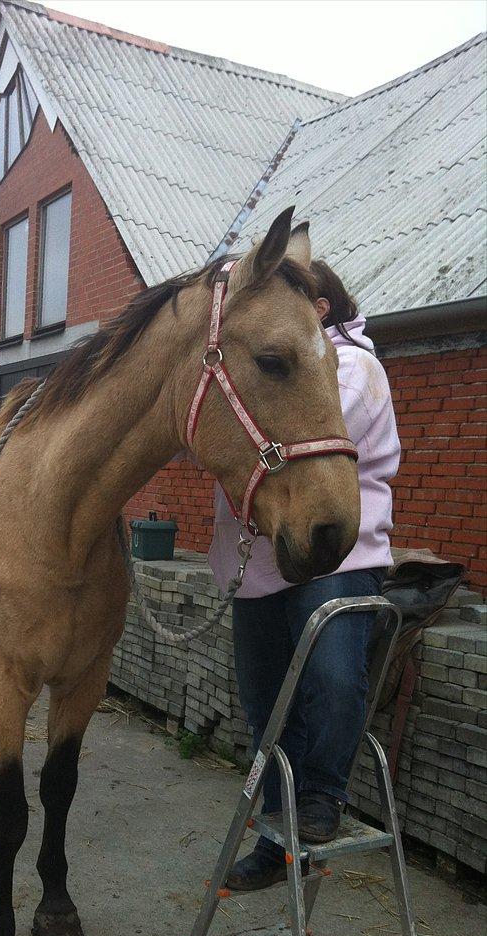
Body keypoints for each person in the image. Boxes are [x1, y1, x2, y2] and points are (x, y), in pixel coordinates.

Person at [209, 259, 401, 892]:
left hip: (336, 557)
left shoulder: (351, 368)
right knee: (268, 708)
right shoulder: (260, 361)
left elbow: (284, 433)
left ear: (320, 308)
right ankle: (276, 843)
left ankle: (321, 796)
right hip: (261, 567)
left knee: (334, 680)